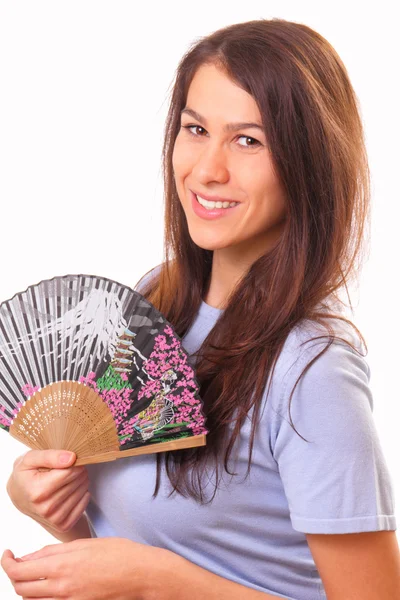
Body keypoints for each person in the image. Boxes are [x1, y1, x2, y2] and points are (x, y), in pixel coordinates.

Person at [2, 17, 400, 600]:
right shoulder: (156, 298)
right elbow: (150, 545)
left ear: (308, 163)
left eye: (248, 140)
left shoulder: (312, 370)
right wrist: (61, 515)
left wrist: (154, 581)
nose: (207, 169)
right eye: (195, 129)